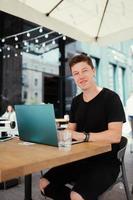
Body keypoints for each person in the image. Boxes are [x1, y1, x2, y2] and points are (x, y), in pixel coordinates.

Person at [39, 54, 126, 200]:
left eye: (84, 71)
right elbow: (71, 131)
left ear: (93, 71)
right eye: (76, 73)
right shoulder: (76, 101)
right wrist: (55, 132)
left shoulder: (111, 98)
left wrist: (84, 136)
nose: (81, 76)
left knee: (76, 195)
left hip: (105, 161)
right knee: (43, 182)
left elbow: (115, 136)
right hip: (79, 158)